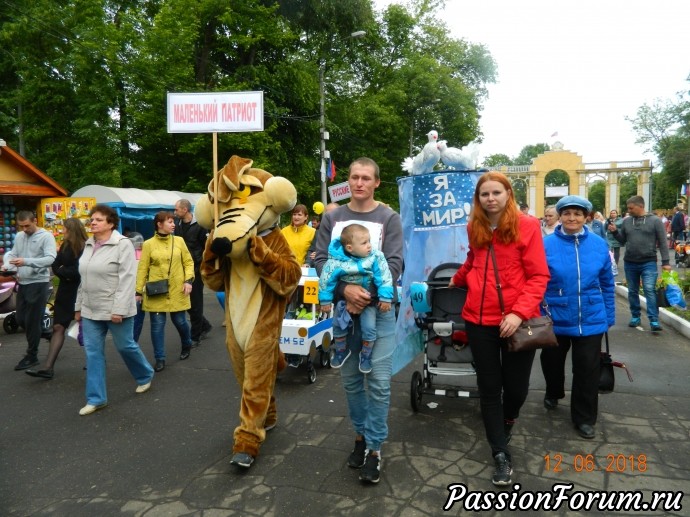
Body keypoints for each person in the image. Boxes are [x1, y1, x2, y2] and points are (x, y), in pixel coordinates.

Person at [447, 172, 549, 486]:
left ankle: (508, 417)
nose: (490, 199)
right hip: (479, 321)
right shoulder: (473, 226)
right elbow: (474, 260)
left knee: (516, 389)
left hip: (517, 323)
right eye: (484, 194)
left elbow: (538, 276)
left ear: (508, 194)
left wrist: (518, 313)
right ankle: (500, 454)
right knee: (490, 388)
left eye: (496, 192)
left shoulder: (528, 225)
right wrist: (458, 277)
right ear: (478, 199)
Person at [314, 157, 402, 484]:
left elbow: (394, 264)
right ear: (348, 181)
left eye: (366, 178)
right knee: (351, 382)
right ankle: (360, 436)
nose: (360, 183)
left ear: (376, 182)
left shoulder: (388, 218)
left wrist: (361, 294)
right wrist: (343, 290)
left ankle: (376, 449)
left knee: (378, 383)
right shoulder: (333, 216)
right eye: (354, 177)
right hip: (342, 313)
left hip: (378, 312)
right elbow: (321, 258)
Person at [540, 196, 615, 440]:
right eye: (567, 213)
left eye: (578, 214)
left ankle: (584, 418)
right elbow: (537, 280)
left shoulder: (598, 244)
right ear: (559, 216)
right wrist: (539, 312)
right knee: (551, 361)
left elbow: (607, 282)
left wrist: (609, 315)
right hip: (556, 315)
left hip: (591, 316)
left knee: (587, 371)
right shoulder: (546, 244)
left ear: (587, 217)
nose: (572, 218)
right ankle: (554, 391)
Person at [75, 204, 154, 416]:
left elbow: (128, 278)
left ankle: (145, 374)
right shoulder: (89, 244)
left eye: (98, 220)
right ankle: (96, 399)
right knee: (92, 353)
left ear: (110, 223)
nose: (93, 222)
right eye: (92, 219)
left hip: (115, 309)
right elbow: (84, 278)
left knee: (126, 346)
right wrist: (78, 306)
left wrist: (118, 309)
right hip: (91, 309)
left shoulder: (123, 244)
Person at [318, 223, 394, 373]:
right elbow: (326, 280)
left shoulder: (375, 257)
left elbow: (384, 276)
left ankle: (366, 355)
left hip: (368, 302)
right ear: (349, 248)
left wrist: (385, 298)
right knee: (338, 326)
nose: (369, 246)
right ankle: (341, 350)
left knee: (369, 328)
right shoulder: (335, 262)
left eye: (369, 241)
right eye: (364, 243)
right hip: (344, 301)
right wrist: (325, 301)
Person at [26, 218, 88, 379]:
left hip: (82, 291)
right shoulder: (66, 246)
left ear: (72, 229)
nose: (62, 231)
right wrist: (64, 272)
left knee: (88, 329)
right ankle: (48, 367)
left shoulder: (86, 246)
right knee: (58, 327)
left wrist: (63, 271)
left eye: (64, 228)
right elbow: (55, 264)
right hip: (65, 293)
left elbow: (77, 272)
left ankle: (94, 361)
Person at [136, 211, 195, 372]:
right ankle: (159, 358)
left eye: (173, 221)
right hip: (156, 291)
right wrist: (138, 291)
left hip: (177, 289)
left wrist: (188, 281)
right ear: (159, 224)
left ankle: (186, 343)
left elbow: (189, 262)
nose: (173, 224)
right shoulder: (148, 244)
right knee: (157, 326)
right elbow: (142, 269)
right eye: (169, 221)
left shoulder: (179, 241)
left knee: (180, 322)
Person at [2, 210, 57, 371]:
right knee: (20, 319)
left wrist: (26, 262)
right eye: (21, 226)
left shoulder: (46, 237)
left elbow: (50, 259)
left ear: (35, 221)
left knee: (32, 321)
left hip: (39, 282)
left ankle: (31, 355)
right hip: (23, 282)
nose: (24, 229)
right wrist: (7, 264)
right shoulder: (19, 236)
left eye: (27, 225)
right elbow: (12, 253)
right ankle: (48, 334)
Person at [608, 195, 671, 331]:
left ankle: (654, 320)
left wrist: (666, 262)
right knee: (632, 291)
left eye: (631, 208)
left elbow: (663, 243)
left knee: (649, 289)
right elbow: (622, 241)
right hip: (630, 262)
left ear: (640, 206)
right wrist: (614, 233)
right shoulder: (626, 222)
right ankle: (635, 316)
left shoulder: (655, 221)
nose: (628, 210)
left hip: (648, 262)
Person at [174, 199, 212, 347]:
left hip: (196, 267)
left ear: (185, 209)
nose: (175, 212)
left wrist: (204, 266)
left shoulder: (201, 225)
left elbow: (206, 247)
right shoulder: (176, 225)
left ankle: (195, 336)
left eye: (176, 209)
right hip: (182, 268)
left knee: (195, 303)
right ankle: (205, 325)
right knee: (187, 303)